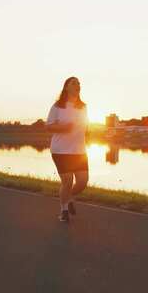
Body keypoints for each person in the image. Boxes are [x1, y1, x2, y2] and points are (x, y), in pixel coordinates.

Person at [46, 76, 89, 222]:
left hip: (79, 151)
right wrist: (63, 127)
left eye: (79, 83)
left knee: (82, 182)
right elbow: (48, 126)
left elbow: (84, 126)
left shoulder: (83, 107)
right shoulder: (58, 106)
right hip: (60, 150)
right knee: (67, 180)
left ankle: (69, 197)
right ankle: (64, 210)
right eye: (74, 83)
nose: (78, 85)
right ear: (66, 87)